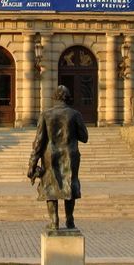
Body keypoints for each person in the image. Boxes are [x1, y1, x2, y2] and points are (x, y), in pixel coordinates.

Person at [27, 84, 89, 230]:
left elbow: (39, 141)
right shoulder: (75, 114)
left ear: (54, 98)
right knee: (70, 183)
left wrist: (32, 163)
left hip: (50, 155)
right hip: (70, 154)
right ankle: (70, 219)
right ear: (68, 98)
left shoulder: (45, 114)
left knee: (50, 185)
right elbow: (84, 137)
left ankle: (54, 221)